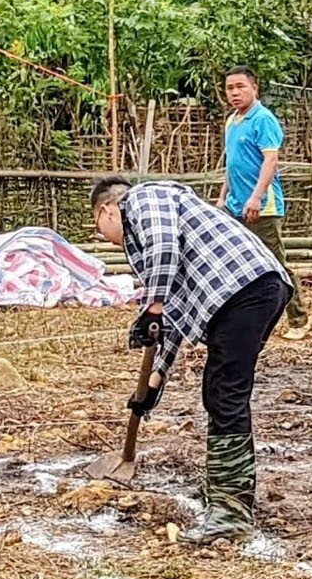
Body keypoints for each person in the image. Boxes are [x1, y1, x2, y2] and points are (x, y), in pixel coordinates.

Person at [91, 177, 290, 544]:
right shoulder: (162, 233)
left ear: (106, 211)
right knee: (222, 392)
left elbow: (164, 252)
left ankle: (231, 514)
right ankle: (226, 489)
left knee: (225, 394)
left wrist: (152, 307)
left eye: (99, 229)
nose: (106, 238)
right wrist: (154, 383)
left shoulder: (144, 199)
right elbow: (173, 318)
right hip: (254, 289)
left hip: (243, 289)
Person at [220, 67, 309, 340]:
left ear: (254, 88)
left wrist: (256, 197)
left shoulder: (263, 119)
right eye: (230, 88)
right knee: (235, 262)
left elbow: (270, 160)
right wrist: (222, 197)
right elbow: (231, 163)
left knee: (275, 263)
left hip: (263, 206)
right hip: (235, 204)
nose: (235, 93)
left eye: (241, 87)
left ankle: (299, 319)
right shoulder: (232, 121)